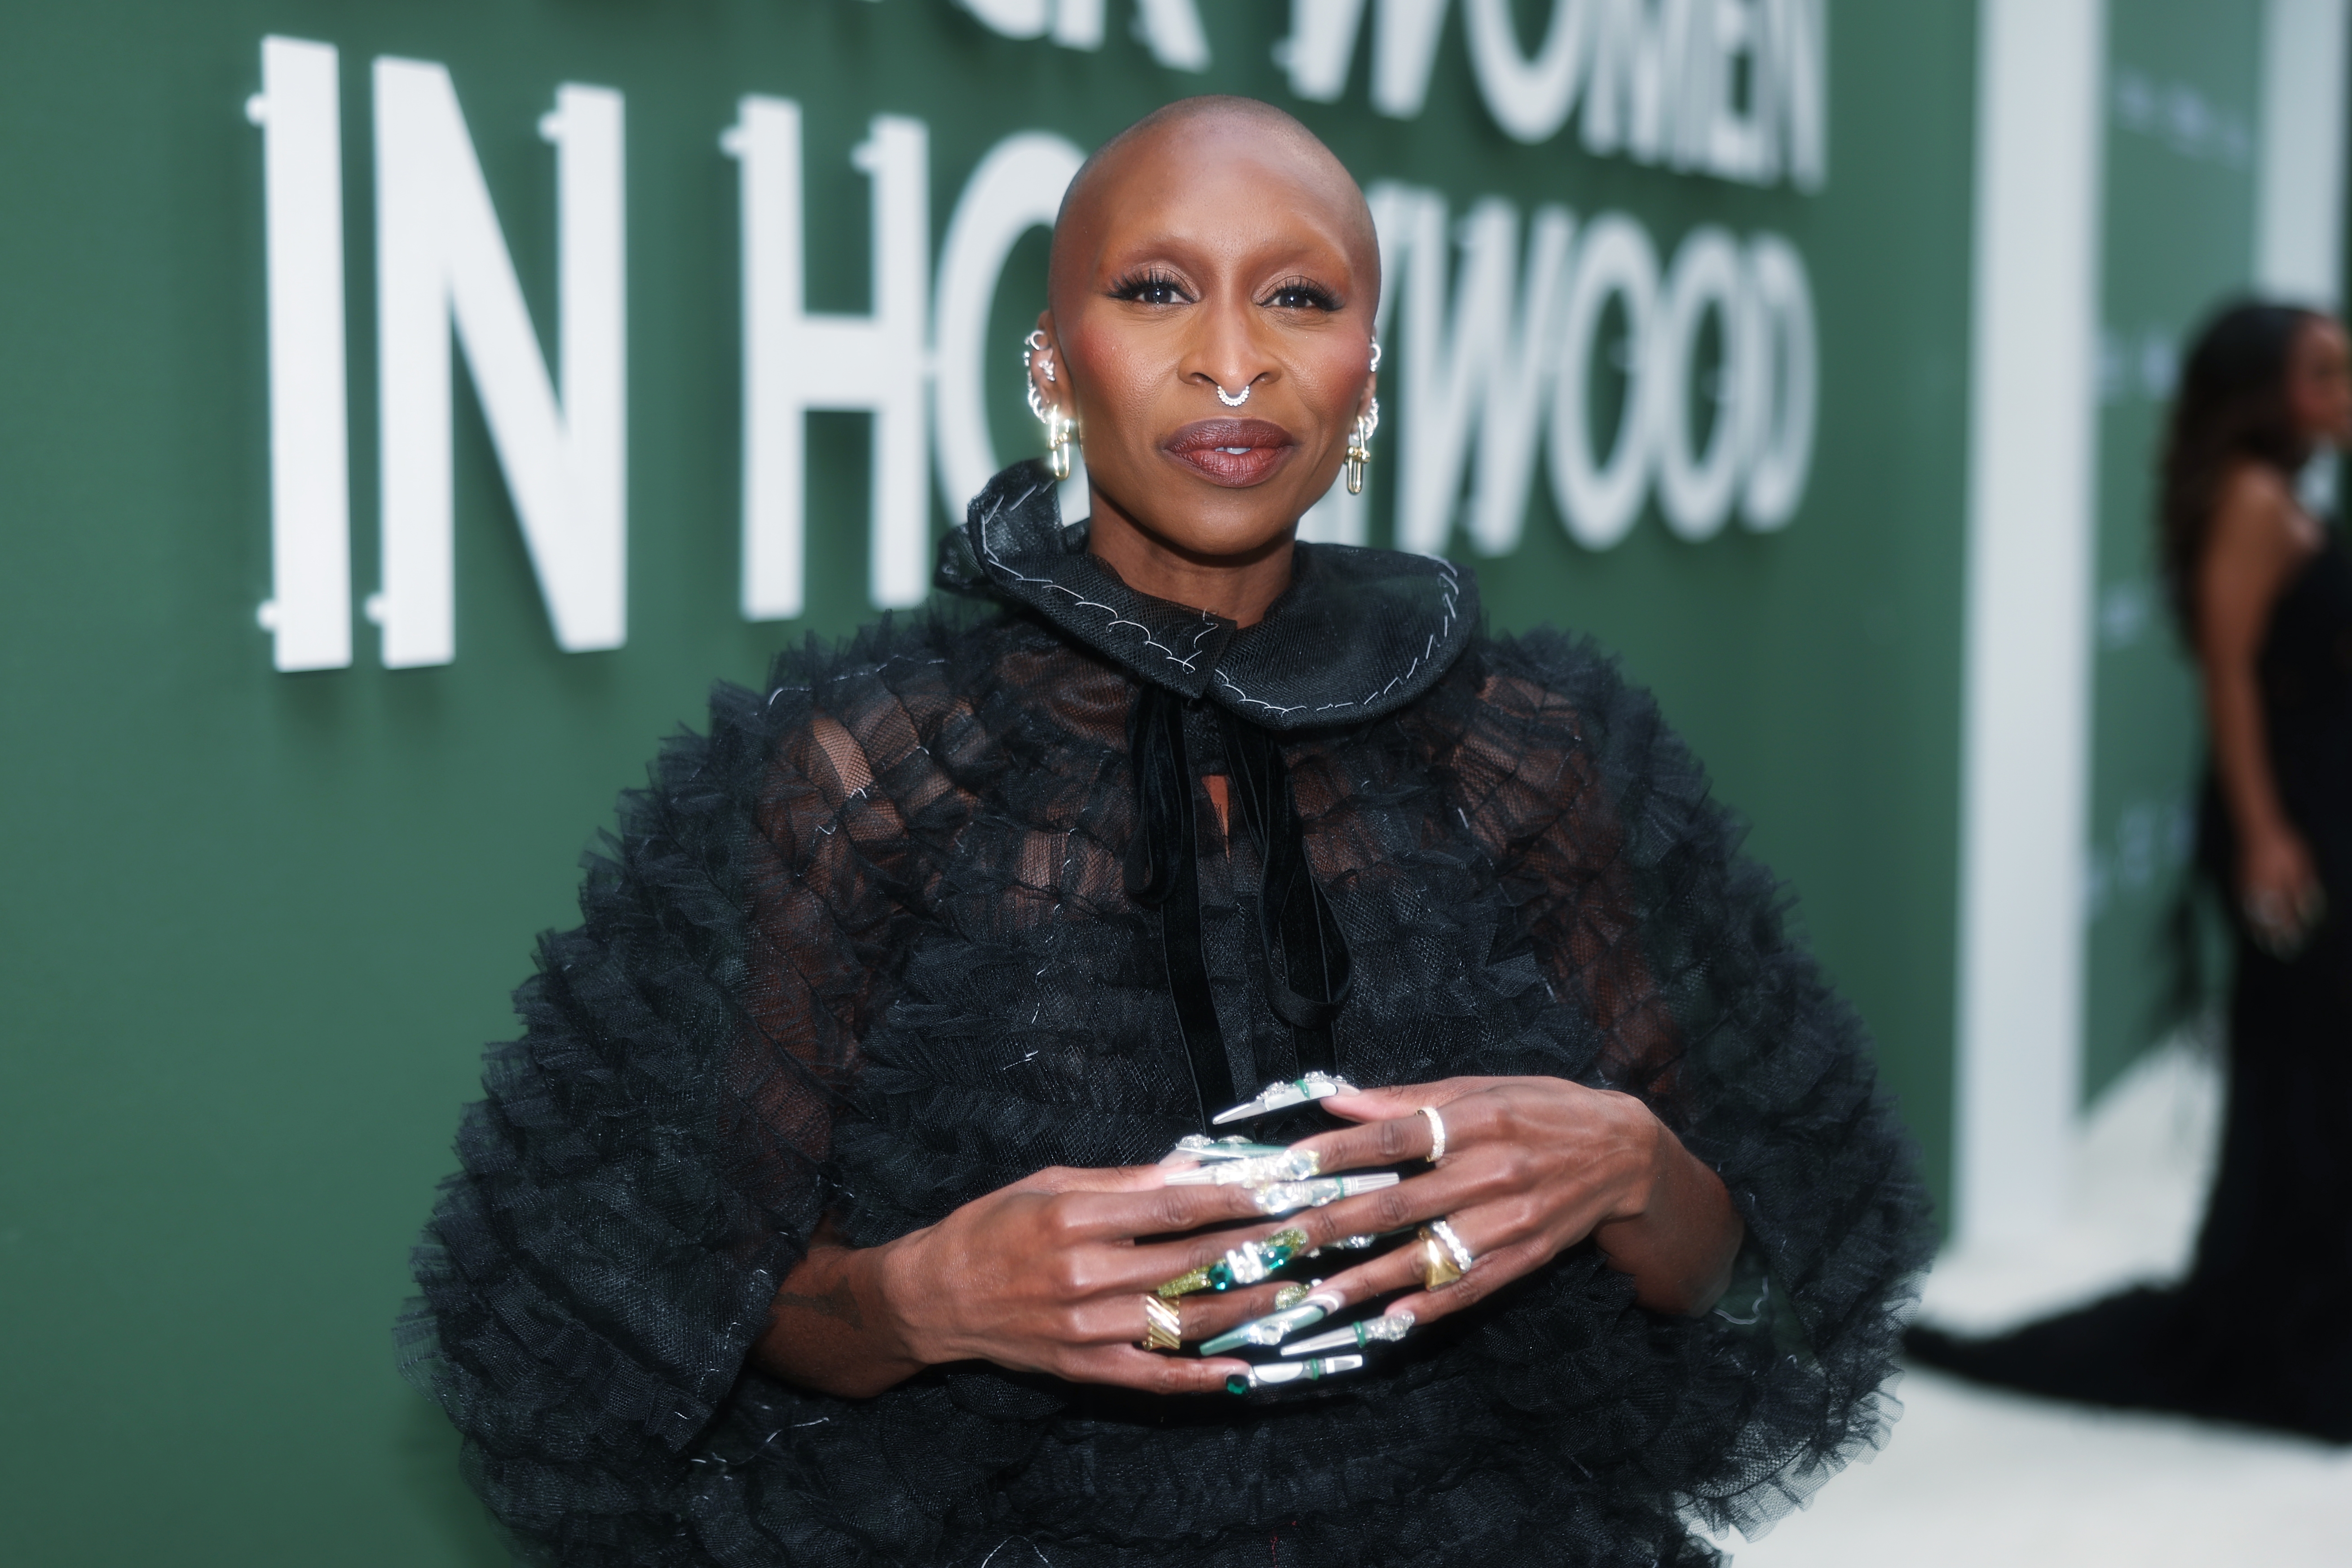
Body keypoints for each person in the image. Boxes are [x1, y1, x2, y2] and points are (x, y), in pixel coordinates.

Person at [402, 97, 1928, 1566]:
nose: (1230, 363)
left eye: (1296, 298)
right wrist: (919, 1296)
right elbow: (642, 1313)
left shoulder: (1531, 749)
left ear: (1367, 371)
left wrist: (1624, 1161)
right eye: (1154, 291)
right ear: (1049, 360)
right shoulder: (861, 776)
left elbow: (1725, 1256)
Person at [1907, 301, 2352, 1443]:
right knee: (2299, 1073)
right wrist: (2264, 831)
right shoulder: (2253, 503)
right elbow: (2229, 678)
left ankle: (2300, 1310)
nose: (2342, 387)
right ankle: (2288, 1330)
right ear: (2264, 390)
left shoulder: (2288, 493)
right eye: (2321, 371)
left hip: (2318, 807)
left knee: (2311, 1073)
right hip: (2290, 821)